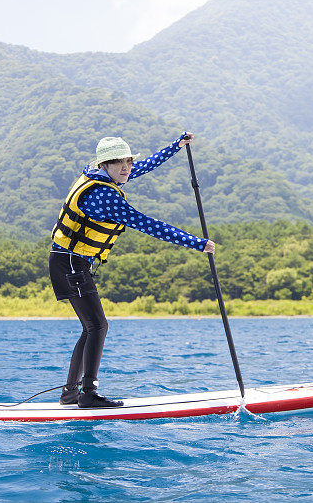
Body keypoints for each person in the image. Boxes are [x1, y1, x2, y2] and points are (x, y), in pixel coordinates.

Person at [50, 132, 215, 408]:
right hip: (70, 263)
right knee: (98, 326)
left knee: (91, 327)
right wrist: (198, 244)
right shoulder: (105, 196)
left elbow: (146, 164)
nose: (126, 167)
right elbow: (151, 225)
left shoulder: (103, 176)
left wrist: (176, 146)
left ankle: (70, 394)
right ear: (104, 165)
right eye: (119, 163)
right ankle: (87, 394)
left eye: (128, 161)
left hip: (68, 262)